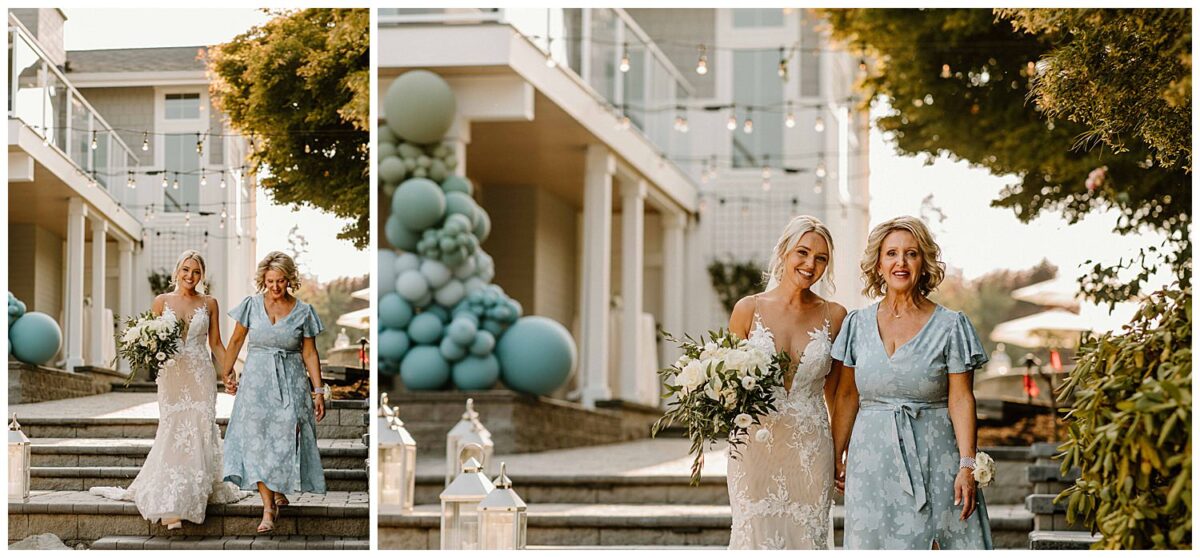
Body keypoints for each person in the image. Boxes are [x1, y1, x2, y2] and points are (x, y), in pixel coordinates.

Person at [830, 216, 992, 549]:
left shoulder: (951, 326)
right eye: (891, 254)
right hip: (870, 465)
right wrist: (835, 455)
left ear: (924, 262)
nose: (900, 262)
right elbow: (847, 395)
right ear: (878, 264)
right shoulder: (856, 325)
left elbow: (961, 399)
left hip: (935, 461)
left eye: (911, 254)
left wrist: (967, 465)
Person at [91, 250, 244, 528]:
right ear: (177, 271)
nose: (190, 276)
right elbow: (149, 341)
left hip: (200, 374)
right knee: (174, 427)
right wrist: (146, 351)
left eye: (196, 272)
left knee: (199, 426)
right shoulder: (162, 302)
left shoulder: (210, 303)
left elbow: (217, 344)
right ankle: (170, 498)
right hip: (172, 375)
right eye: (186, 270)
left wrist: (230, 371)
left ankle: (191, 495)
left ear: (202, 276)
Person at [724, 215, 847, 549]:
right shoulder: (747, 310)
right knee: (754, 538)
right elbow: (728, 384)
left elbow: (838, 393)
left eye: (821, 258)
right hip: (753, 448)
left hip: (811, 451)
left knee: (808, 538)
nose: (811, 264)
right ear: (784, 252)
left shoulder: (835, 316)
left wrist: (839, 452)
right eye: (802, 253)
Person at [221, 251, 328, 533]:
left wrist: (318, 391)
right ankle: (268, 508)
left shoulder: (304, 312)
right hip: (256, 382)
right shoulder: (251, 305)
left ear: (289, 280)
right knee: (256, 440)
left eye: (280, 281)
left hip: (291, 381)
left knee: (286, 435)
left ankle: (278, 485)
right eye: (270, 281)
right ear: (263, 280)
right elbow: (235, 340)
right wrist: (226, 371)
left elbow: (310, 352)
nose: (275, 287)